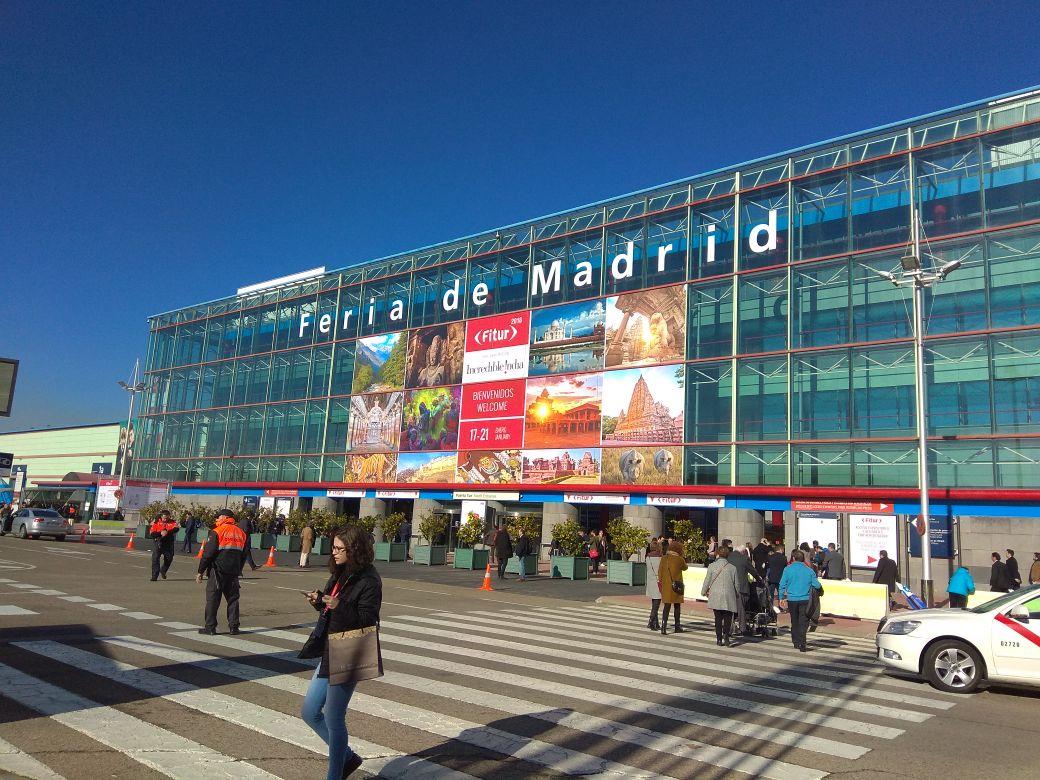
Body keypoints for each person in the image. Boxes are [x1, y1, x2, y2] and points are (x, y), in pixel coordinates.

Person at [301, 526, 382, 780]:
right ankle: (346, 756)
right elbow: (333, 608)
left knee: (335, 717)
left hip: (350, 651)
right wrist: (320, 600)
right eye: (333, 547)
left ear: (353, 550)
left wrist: (339, 605)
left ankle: (335, 774)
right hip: (330, 646)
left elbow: (368, 620)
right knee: (309, 711)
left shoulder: (369, 580)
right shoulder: (340, 572)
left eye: (339, 548)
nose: (333, 552)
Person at [195, 509, 248, 635]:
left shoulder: (217, 531)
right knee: (233, 600)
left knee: (213, 600)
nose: (216, 520)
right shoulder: (241, 533)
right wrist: (238, 569)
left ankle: (210, 627)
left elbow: (208, 554)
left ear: (224, 517)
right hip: (233, 572)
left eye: (218, 517)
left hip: (217, 571)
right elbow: (244, 554)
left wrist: (200, 571)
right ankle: (234, 627)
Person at [779, 549, 822, 652]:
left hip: (792, 599)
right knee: (804, 621)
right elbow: (817, 585)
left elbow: (782, 584)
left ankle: (796, 642)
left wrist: (781, 597)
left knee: (794, 621)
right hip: (805, 599)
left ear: (793, 558)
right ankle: (802, 643)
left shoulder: (787, 569)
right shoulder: (809, 570)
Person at [701, 545, 742, 646]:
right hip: (729, 595)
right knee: (728, 617)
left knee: (718, 618)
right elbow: (736, 584)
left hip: (715, 595)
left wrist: (703, 591)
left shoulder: (712, 566)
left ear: (717, 554)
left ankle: (719, 639)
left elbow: (707, 581)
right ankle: (726, 636)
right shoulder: (732, 568)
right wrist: (736, 593)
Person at [723, 537, 758, 635]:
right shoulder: (744, 558)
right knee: (741, 608)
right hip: (741, 587)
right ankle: (742, 628)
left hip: (729, 586)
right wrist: (760, 580)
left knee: (729, 608)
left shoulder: (728, 557)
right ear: (743, 551)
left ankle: (728, 626)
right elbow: (753, 571)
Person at [657, 540, 688, 634]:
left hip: (667, 586)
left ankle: (663, 627)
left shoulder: (664, 558)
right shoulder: (679, 559)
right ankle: (677, 626)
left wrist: (662, 581)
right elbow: (685, 568)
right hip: (676, 586)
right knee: (677, 606)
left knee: (666, 607)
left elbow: (659, 572)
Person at [148, 511, 179, 581]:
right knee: (155, 559)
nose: (165, 519)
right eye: (164, 518)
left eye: (167, 518)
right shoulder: (156, 522)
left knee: (169, 558)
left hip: (168, 544)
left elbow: (176, 529)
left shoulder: (172, 522)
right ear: (161, 516)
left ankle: (163, 570)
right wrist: (160, 533)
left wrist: (167, 532)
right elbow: (152, 534)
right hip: (158, 542)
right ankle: (154, 576)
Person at [645, 539, 663, 631]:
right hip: (658, 582)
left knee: (654, 602)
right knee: (657, 603)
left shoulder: (647, 558)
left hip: (650, 582)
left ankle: (655, 623)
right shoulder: (661, 558)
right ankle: (651, 621)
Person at [766, 544, 787, 610]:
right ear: (780, 549)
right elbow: (785, 567)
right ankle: (780, 606)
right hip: (780, 578)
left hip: (771, 578)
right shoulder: (784, 557)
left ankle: (771, 608)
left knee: (771, 594)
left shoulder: (770, 557)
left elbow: (768, 567)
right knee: (780, 594)